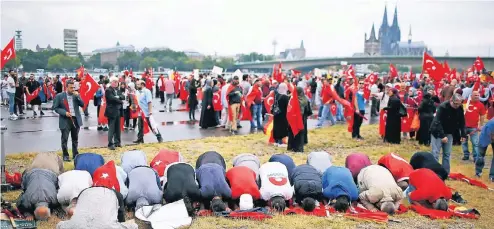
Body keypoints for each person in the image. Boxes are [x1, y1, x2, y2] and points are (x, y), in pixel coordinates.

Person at [56, 186, 137, 229]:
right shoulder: (109, 226)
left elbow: (59, 225)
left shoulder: (110, 226)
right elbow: (132, 225)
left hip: (88, 192)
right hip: (87, 192)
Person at [17, 152, 64, 221]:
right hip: (35, 169)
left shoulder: (54, 199)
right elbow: (18, 203)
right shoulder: (27, 201)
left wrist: (28, 214)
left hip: (42, 160)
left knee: (61, 177)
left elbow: (19, 204)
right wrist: (28, 213)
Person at [430, 93, 466, 174]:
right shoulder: (443, 107)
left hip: (449, 131)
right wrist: (442, 136)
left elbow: (462, 121)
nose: (457, 105)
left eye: (459, 104)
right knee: (435, 153)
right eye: (455, 103)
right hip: (437, 131)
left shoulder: (460, 108)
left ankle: (446, 173)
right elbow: (437, 122)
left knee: (447, 153)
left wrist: (463, 134)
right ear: (451, 100)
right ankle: (434, 173)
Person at [52, 80, 84, 161]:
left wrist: (78, 96)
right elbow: (55, 108)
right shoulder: (60, 96)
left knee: (75, 139)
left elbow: (83, 104)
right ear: (66, 87)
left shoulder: (76, 95)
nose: (73, 89)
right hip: (65, 120)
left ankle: (75, 155)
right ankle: (65, 155)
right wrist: (64, 112)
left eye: (73, 87)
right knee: (64, 139)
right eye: (71, 88)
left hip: (75, 119)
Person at [462, 91, 486, 161]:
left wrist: (480, 125)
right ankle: (466, 155)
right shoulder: (465, 103)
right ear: (471, 96)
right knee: (463, 142)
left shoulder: (481, 105)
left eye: (478, 95)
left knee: (475, 143)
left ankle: (475, 157)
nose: (477, 97)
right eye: (475, 95)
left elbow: (482, 116)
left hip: (474, 127)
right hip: (463, 127)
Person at [288, 87, 313, 152]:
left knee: (292, 132)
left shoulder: (292, 99)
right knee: (300, 133)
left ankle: (291, 146)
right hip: (302, 118)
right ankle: (299, 148)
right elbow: (308, 110)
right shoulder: (305, 99)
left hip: (293, 118)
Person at [105, 76, 124, 150]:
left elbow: (123, 96)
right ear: (111, 82)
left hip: (118, 111)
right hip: (112, 112)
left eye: (117, 82)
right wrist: (119, 99)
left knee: (118, 128)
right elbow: (111, 98)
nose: (116, 83)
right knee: (111, 128)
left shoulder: (117, 90)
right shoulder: (108, 90)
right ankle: (110, 143)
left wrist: (118, 97)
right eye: (115, 82)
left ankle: (117, 142)